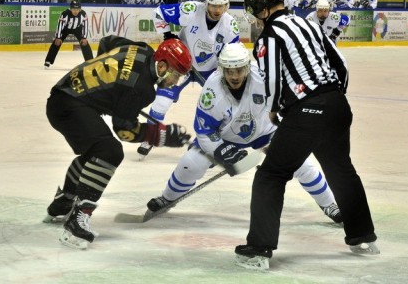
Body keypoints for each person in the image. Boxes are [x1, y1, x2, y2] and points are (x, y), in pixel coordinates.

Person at [236, 0, 378, 270]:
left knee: (271, 175)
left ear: (261, 8)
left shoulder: (270, 36)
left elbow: (272, 79)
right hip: (338, 106)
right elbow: (341, 63)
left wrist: (275, 111)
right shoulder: (309, 24)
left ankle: (259, 248)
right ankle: (363, 236)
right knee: (341, 169)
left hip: (306, 110)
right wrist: (332, 98)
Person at [146, 43, 343, 224]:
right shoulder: (211, 91)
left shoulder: (265, 79)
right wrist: (221, 150)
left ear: (247, 67)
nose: (234, 76)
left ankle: (330, 205)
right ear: (222, 69)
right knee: (190, 164)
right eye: (229, 71)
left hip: (265, 132)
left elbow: (290, 104)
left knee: (302, 164)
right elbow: (205, 131)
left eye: (239, 70)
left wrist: (289, 129)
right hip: (224, 138)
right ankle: (167, 198)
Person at [45, 35, 193, 249]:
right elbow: (124, 130)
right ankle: (77, 218)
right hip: (68, 105)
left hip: (65, 94)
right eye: (175, 74)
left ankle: (64, 200)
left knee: (95, 151)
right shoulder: (142, 88)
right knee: (110, 151)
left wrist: (106, 87)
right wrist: (163, 135)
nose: (175, 81)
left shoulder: (141, 49)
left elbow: (107, 42)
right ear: (161, 66)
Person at [138, 0, 239, 158]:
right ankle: (150, 136)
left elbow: (233, 53)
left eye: (221, 6)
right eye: (213, 5)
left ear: (226, 5)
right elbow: (159, 13)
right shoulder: (191, 9)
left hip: (210, 70)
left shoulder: (231, 26)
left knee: (221, 107)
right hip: (180, 65)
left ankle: (211, 142)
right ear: (206, 3)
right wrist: (168, 35)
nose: (217, 10)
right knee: (161, 102)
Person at [44, 0, 92, 68]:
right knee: (56, 42)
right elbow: (60, 25)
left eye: (77, 9)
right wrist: (58, 37)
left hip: (78, 29)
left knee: (85, 43)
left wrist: (84, 37)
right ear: (70, 9)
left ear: (80, 9)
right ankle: (48, 61)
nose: (75, 11)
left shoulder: (83, 14)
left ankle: (90, 62)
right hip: (65, 29)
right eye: (73, 9)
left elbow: (85, 25)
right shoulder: (65, 14)